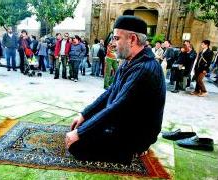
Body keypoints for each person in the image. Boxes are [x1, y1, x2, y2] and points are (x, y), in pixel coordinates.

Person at [65, 15, 166, 164]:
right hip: (123, 122)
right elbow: (111, 91)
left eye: (117, 38)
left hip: (135, 133)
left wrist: (81, 133)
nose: (112, 43)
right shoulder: (129, 62)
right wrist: (84, 115)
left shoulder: (145, 69)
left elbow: (119, 108)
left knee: (76, 145)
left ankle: (129, 152)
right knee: (83, 126)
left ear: (132, 39)